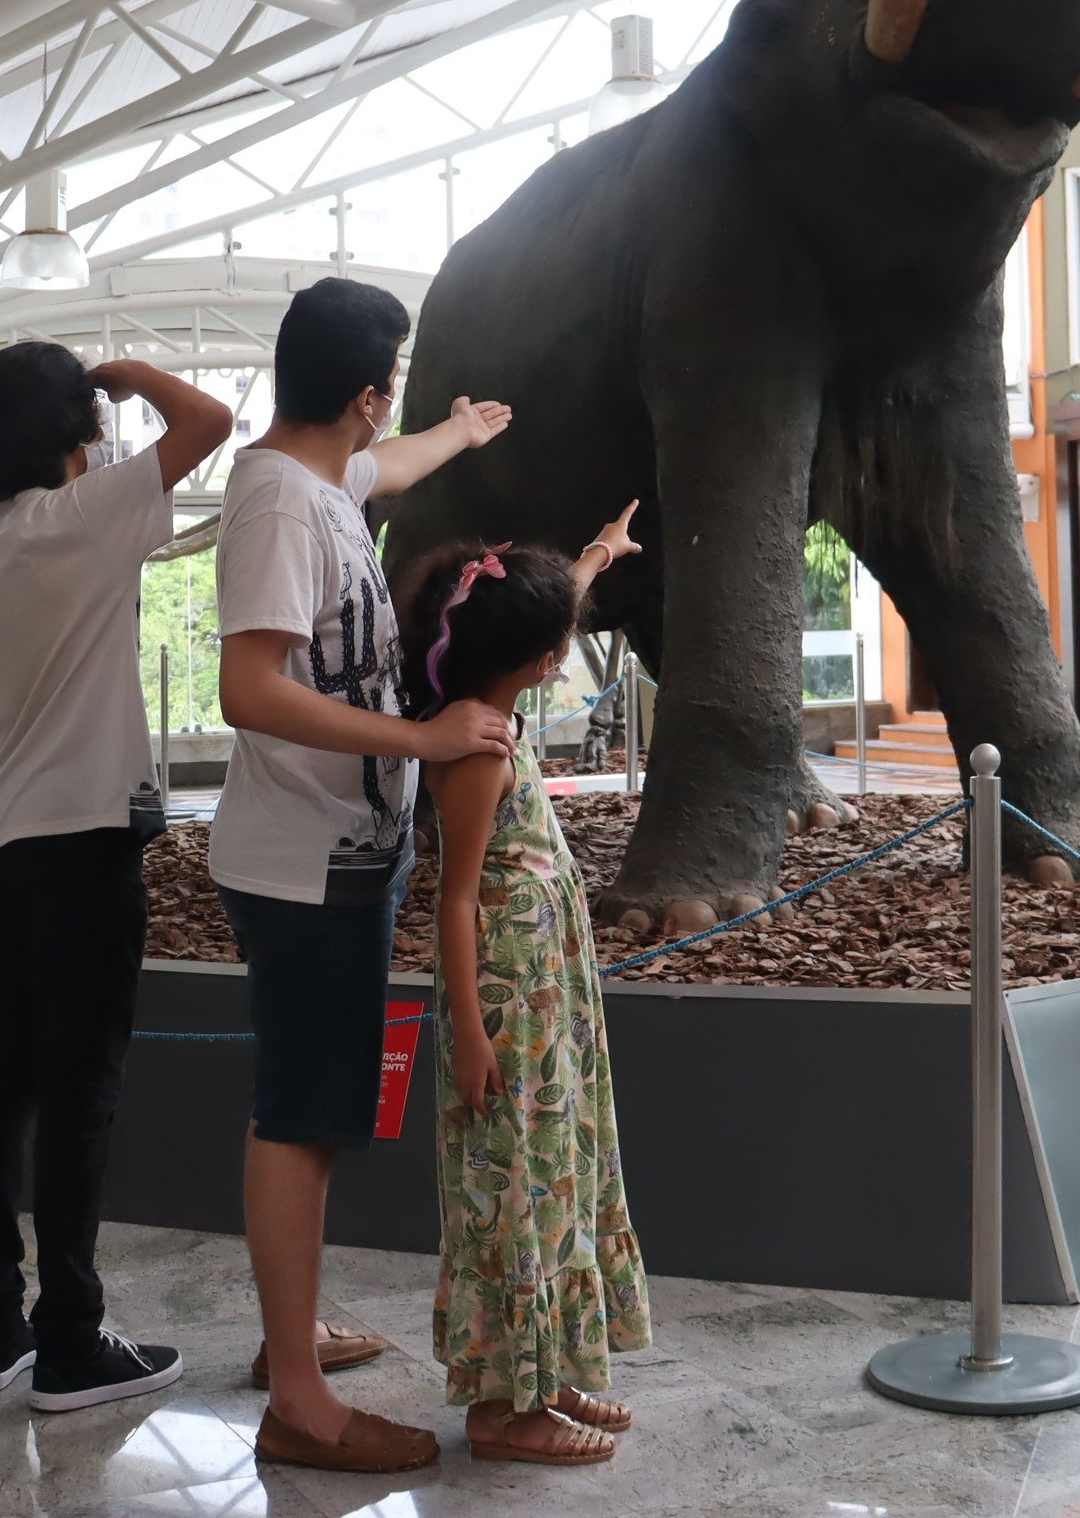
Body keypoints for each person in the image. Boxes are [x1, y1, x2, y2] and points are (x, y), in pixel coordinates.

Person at [210, 276, 515, 1474]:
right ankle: (298, 1399)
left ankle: (296, 1336)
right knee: (300, 1120)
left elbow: (386, 468)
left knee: (319, 1115)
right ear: (364, 393)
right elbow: (252, 688)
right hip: (304, 868)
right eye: (392, 395)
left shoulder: (319, 471)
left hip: (342, 857)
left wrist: (463, 431)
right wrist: (425, 742)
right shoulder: (282, 507)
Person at [0, 343, 230, 1411]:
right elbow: (213, 421)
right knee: (82, 1093)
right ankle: (72, 1339)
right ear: (74, 436)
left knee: (4, 1081)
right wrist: (133, 373)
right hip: (87, 844)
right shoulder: (89, 517)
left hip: (1, 847)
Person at [401, 516, 653, 1466]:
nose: (564, 651)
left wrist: (592, 556)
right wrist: (468, 1034)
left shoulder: (493, 703)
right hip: (505, 1002)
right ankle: (506, 1410)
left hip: (544, 995)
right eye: (558, 641)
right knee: (512, 1191)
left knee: (550, 1179)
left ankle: (543, 1374)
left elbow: (539, 613)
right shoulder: (476, 754)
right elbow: (454, 901)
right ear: (540, 659)